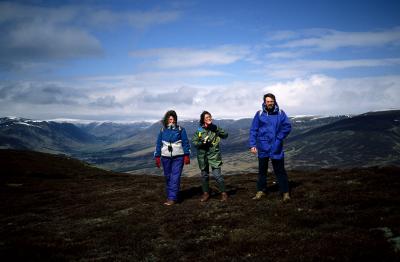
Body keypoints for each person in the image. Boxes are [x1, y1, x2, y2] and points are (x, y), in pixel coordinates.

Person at [249, 93, 292, 202]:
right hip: (263, 147)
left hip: (276, 147)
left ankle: (285, 192)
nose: (270, 103)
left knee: (280, 171)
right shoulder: (259, 114)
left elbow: (287, 126)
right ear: (264, 102)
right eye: (268, 101)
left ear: (274, 101)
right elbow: (254, 130)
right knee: (262, 171)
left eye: (271, 101)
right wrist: (253, 144)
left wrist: (279, 138)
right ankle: (261, 191)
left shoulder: (281, 113)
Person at [154, 110, 191, 206]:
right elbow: (158, 144)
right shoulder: (162, 131)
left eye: (173, 120)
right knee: (168, 177)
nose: (172, 121)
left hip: (178, 157)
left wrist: (186, 155)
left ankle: (172, 198)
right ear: (167, 120)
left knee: (175, 177)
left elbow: (185, 142)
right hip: (165, 157)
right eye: (170, 119)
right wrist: (157, 156)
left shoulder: (181, 130)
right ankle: (173, 195)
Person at [192, 111, 229, 202]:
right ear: (203, 120)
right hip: (202, 156)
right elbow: (195, 143)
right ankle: (206, 194)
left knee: (217, 175)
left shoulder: (215, 128)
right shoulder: (199, 130)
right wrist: (202, 143)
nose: (209, 118)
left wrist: (216, 128)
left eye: (209, 116)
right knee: (204, 175)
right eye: (206, 117)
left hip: (214, 155)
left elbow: (225, 135)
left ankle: (224, 193)